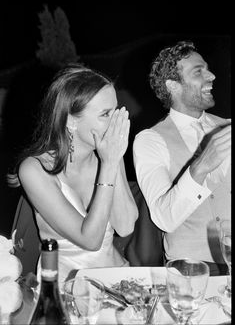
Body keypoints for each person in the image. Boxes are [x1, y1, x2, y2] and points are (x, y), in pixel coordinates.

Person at [16, 64, 138, 285]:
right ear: (71, 121)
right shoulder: (34, 169)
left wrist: (113, 160)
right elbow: (89, 240)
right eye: (105, 114)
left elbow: (126, 225)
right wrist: (109, 165)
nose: (115, 123)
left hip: (117, 280)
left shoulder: (109, 153)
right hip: (65, 287)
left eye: (116, 111)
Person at [133, 40, 231, 275]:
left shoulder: (226, 127)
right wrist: (201, 166)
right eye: (199, 71)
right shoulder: (150, 140)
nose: (212, 76)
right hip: (190, 271)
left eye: (207, 68)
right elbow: (164, 218)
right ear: (173, 86)